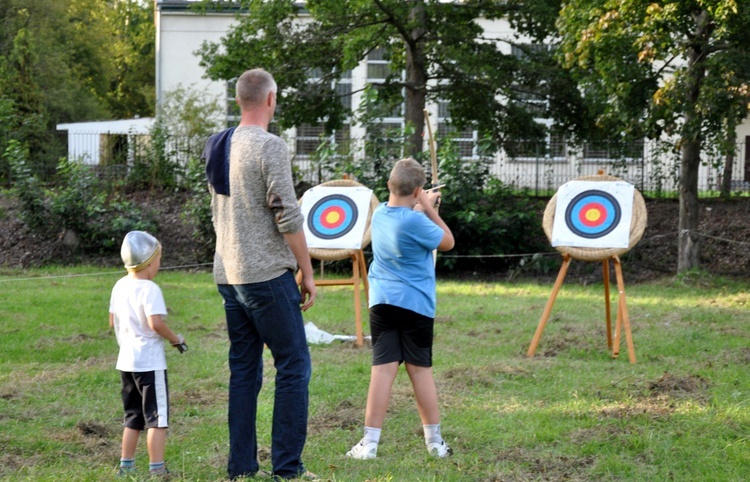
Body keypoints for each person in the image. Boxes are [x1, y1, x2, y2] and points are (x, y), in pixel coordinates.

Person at [204, 68, 317, 481]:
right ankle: (287, 469)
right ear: (270, 100)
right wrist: (306, 271)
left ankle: (241, 468)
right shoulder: (270, 146)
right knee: (293, 366)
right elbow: (287, 215)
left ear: (239, 100)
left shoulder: (216, 144)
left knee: (244, 371)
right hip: (266, 276)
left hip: (229, 274)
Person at [346, 158, 455, 460]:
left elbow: (403, 218)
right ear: (418, 189)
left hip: (382, 302)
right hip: (416, 305)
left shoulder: (380, 213)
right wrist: (430, 206)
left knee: (382, 370)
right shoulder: (418, 220)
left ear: (389, 186)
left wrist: (419, 204)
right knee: (420, 371)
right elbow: (447, 241)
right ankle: (434, 443)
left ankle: (368, 445)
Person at [109, 230, 187, 478]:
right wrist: (176, 339)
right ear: (151, 261)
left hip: (126, 363)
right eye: (159, 260)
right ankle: (157, 469)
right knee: (157, 418)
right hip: (149, 365)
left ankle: (126, 465)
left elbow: (113, 322)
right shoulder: (150, 289)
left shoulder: (119, 285)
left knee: (132, 416)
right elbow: (155, 324)